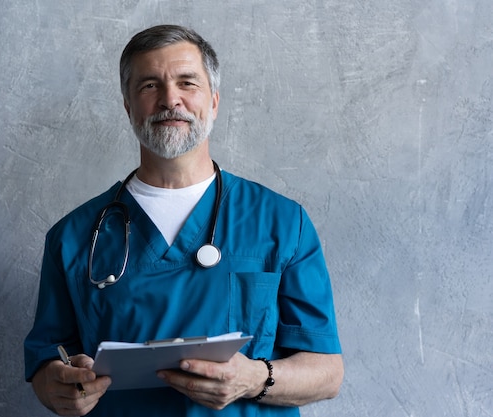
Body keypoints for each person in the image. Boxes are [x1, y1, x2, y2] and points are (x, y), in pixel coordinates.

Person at [24, 24, 344, 416]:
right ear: (128, 105)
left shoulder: (280, 221)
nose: (169, 99)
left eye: (187, 83)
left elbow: (328, 372)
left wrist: (256, 379)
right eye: (149, 86)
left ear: (214, 101)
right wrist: (57, 386)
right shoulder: (74, 236)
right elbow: (45, 364)